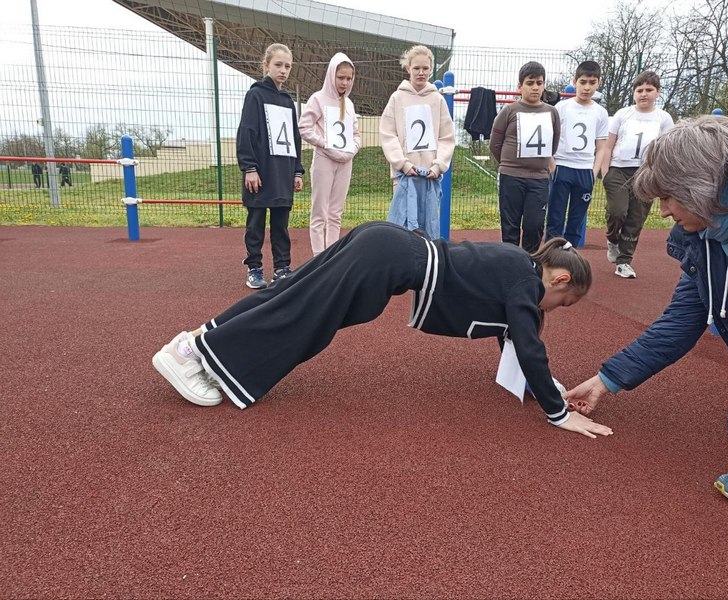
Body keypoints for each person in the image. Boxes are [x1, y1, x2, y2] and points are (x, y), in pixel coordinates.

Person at [151, 221, 612, 439]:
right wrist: (557, 414)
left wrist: (547, 386)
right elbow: (528, 343)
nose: (552, 308)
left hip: (383, 244)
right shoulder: (523, 281)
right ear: (559, 279)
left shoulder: (518, 266)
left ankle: (197, 340)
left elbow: (515, 339)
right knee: (303, 318)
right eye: (562, 303)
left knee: (291, 294)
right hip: (386, 258)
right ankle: (196, 356)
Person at [565, 112, 728, 511]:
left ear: (701, 186)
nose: (664, 212)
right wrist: (606, 380)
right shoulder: (705, 235)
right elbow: (680, 321)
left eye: (668, 197)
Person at [237, 42, 305, 289]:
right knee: (255, 223)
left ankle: (282, 268)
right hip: (260, 172)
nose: (283, 70)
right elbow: (246, 133)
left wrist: (297, 170)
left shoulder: (287, 101)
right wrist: (249, 168)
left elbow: (294, 138)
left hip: (283, 173)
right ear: (266, 65)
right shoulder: (255, 95)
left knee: (281, 225)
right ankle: (254, 268)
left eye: (288, 66)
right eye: (278, 64)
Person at [600, 71, 673, 278]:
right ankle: (612, 239)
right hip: (618, 170)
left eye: (649, 90)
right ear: (633, 93)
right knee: (618, 211)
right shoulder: (623, 115)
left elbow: (667, 150)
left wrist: (660, 176)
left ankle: (624, 261)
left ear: (657, 93)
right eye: (639, 90)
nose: (644, 94)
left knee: (635, 218)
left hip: (646, 173)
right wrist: (606, 173)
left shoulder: (664, 118)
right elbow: (608, 146)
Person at [380, 45, 455, 239]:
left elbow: (446, 137)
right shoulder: (397, 98)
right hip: (404, 175)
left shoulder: (437, 100)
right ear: (408, 69)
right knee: (402, 228)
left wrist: (438, 166)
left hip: (430, 176)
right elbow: (388, 134)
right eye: (416, 68)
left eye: (425, 68)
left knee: (428, 228)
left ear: (431, 69)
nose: (421, 73)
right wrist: (402, 164)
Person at [490, 61, 561, 253]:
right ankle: (509, 265)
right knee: (510, 225)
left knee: (534, 225)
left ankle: (530, 263)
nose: (535, 87)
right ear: (520, 86)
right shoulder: (509, 111)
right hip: (511, 177)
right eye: (530, 83)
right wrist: (509, 164)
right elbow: (495, 144)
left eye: (539, 82)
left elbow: (553, 145)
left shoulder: (552, 112)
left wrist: (540, 164)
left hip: (538, 178)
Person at [298, 53, 361, 256]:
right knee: (320, 212)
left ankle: (331, 255)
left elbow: (356, 134)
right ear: (331, 75)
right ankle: (318, 257)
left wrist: (353, 149)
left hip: (345, 162)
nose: (344, 82)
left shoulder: (349, 104)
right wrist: (325, 144)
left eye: (348, 78)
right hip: (324, 160)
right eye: (340, 77)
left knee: (336, 213)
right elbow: (304, 127)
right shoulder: (318, 99)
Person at [546, 61, 609, 246]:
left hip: (584, 171)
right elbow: (549, 139)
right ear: (574, 82)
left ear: (598, 83)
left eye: (591, 82)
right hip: (562, 167)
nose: (587, 87)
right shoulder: (561, 107)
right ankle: (551, 258)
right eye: (583, 82)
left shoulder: (600, 113)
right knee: (555, 218)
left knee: (576, 220)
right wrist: (553, 167)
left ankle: (571, 261)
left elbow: (602, 146)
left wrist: (593, 171)